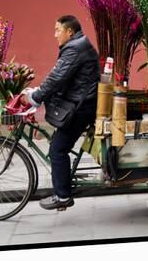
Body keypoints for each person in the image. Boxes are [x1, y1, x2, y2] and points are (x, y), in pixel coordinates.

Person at [21, 15, 100, 210]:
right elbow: (60, 76)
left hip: (82, 106)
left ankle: (63, 196)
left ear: (69, 32)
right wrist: (39, 91)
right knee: (58, 143)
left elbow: (57, 77)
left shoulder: (75, 47)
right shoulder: (77, 45)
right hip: (80, 102)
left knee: (57, 149)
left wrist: (36, 97)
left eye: (58, 30)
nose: (54, 34)